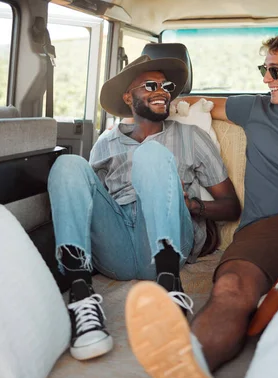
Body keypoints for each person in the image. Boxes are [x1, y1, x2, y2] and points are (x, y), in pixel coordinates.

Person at [124, 25, 278, 378]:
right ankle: (188, 364)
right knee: (230, 288)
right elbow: (200, 105)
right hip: (266, 231)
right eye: (264, 70)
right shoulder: (257, 109)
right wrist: (156, 103)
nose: (267, 79)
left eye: (276, 71)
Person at [47, 55, 241, 361]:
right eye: (150, 85)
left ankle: (170, 291)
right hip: (117, 247)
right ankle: (82, 300)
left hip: (167, 241)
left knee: (152, 154)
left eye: (166, 86)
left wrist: (190, 204)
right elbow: (88, 202)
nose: (162, 91)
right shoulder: (105, 144)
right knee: (67, 163)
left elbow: (231, 207)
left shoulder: (192, 137)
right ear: (128, 96)